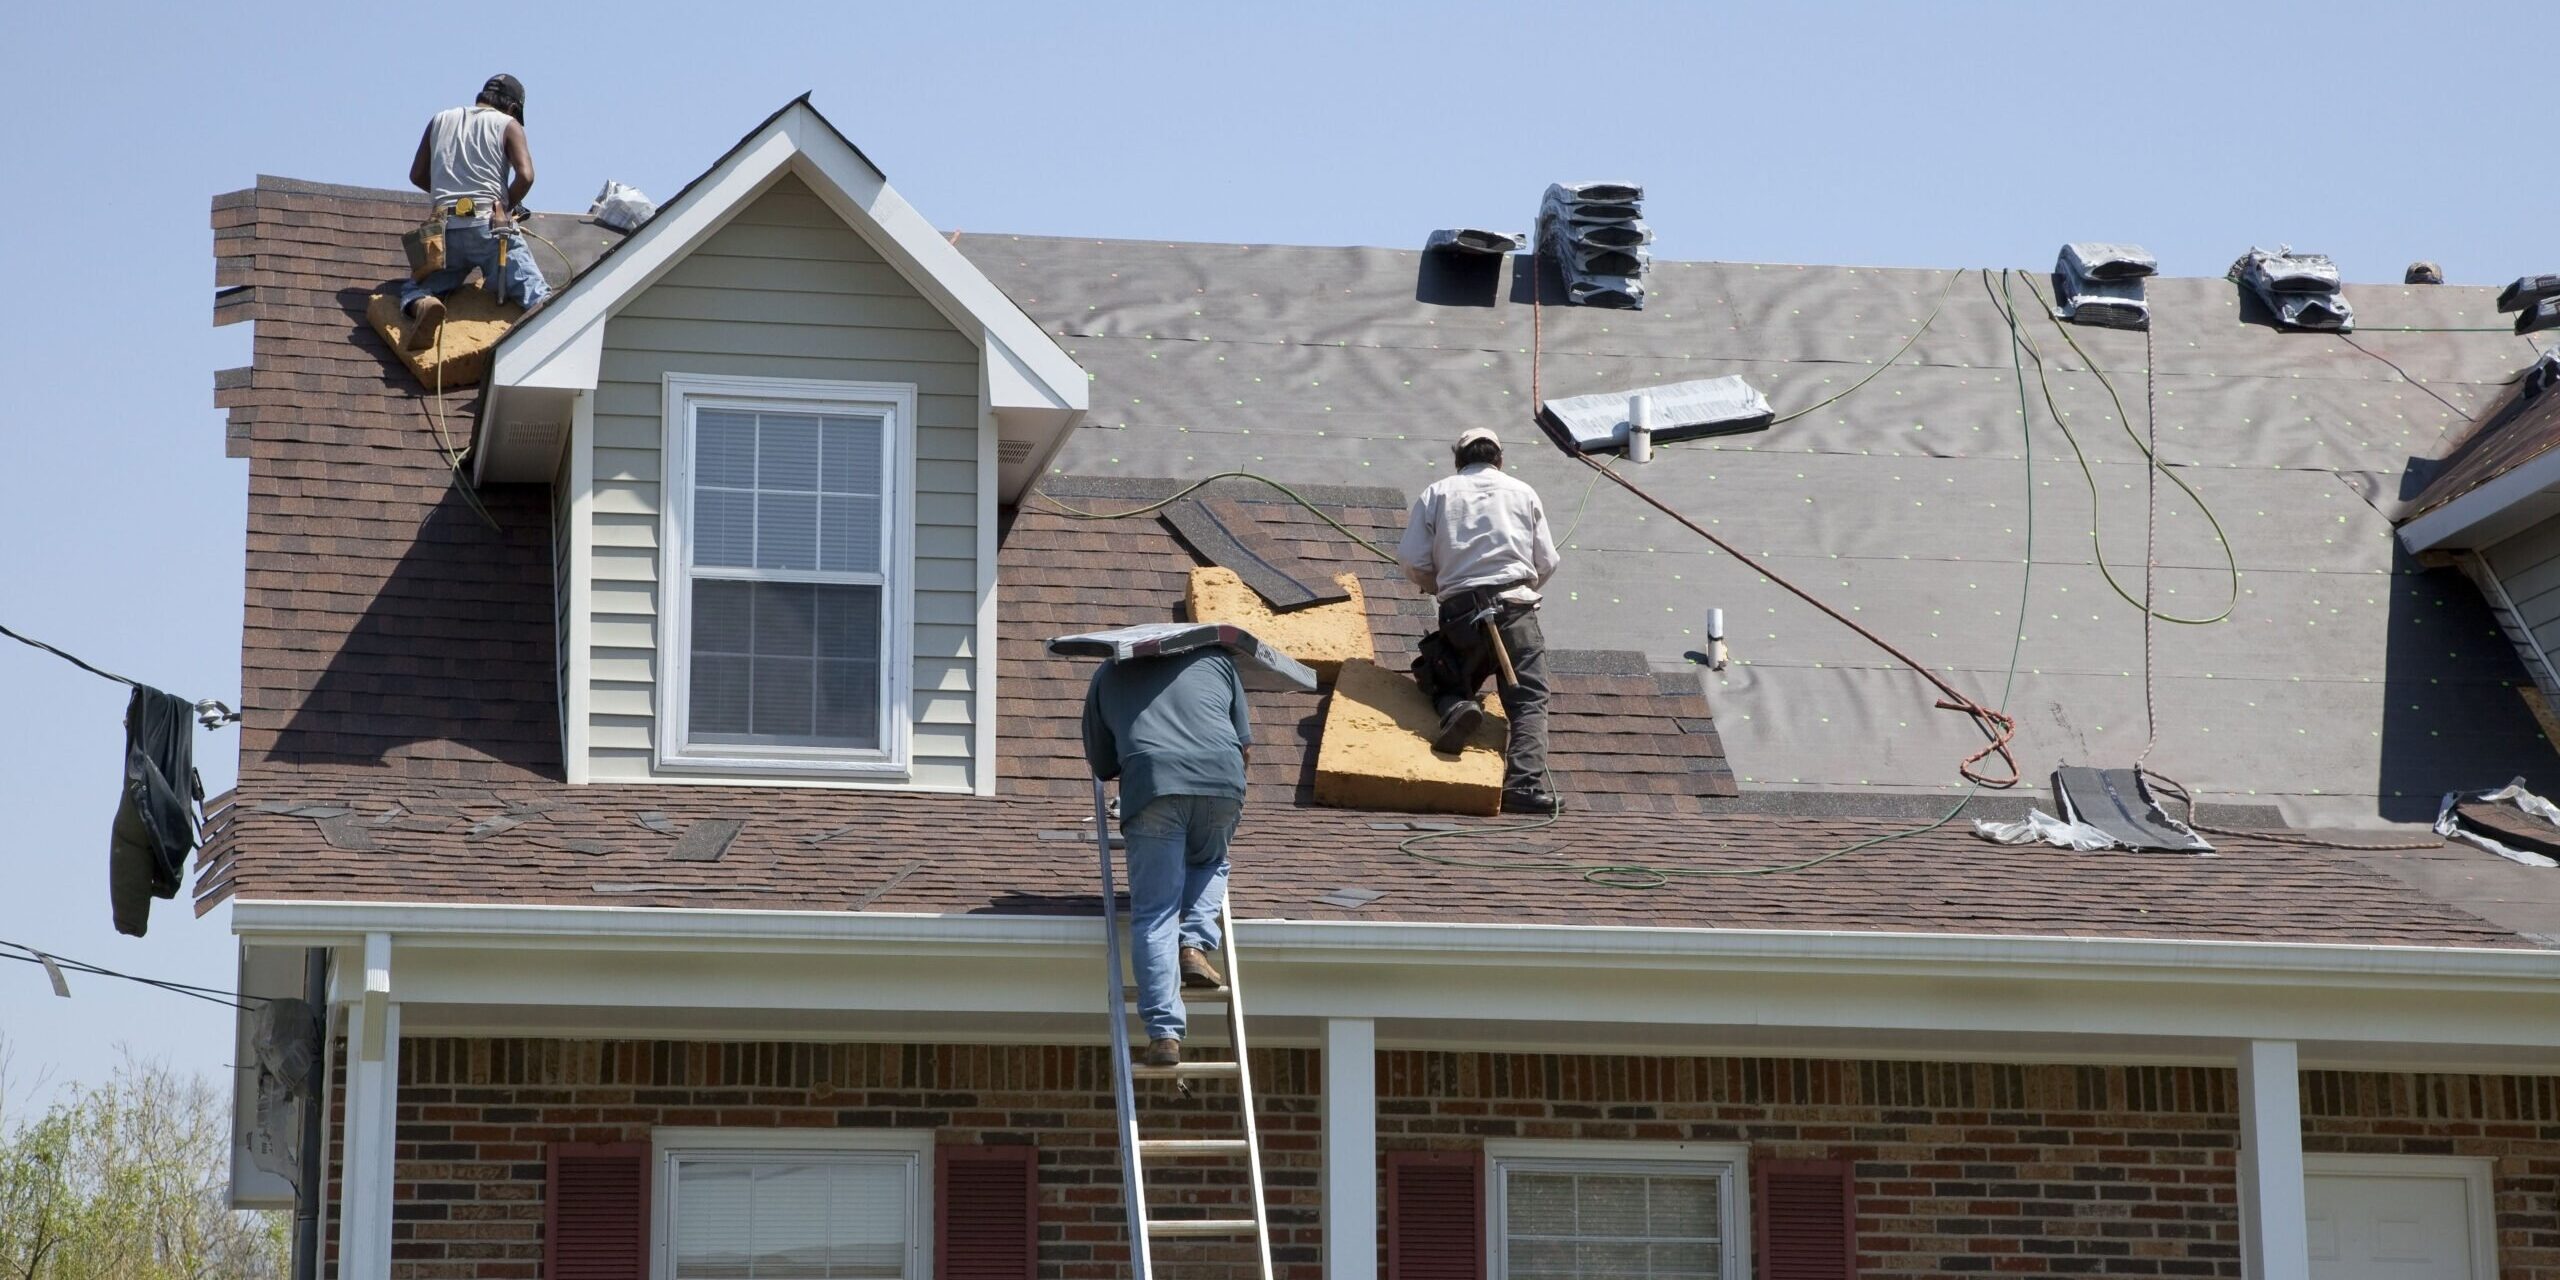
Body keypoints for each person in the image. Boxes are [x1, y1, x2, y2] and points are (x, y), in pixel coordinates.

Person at [1081, 646, 1253, 1068]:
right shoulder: (1216, 661)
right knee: (1210, 861)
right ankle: (1194, 946)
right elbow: (1245, 748)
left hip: (1153, 782)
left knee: (1156, 912)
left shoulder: (1109, 672)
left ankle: (1164, 1034)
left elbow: (1103, 765)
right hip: (1221, 777)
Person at [1397, 426, 1565, 815]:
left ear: (1459, 462)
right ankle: (1523, 785)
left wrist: (1441, 586)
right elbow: (1548, 561)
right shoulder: (1522, 492)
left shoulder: (1437, 493)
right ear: (1499, 460)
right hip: (1515, 608)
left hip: (1461, 612)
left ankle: (1456, 705)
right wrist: (1521, 587)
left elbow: (1411, 560)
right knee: (1528, 699)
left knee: (1444, 678)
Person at [399, 75, 548, 351]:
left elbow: (417, 175)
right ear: (513, 108)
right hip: (488, 226)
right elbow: (526, 176)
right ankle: (545, 346)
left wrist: (446, 196)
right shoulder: (508, 125)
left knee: (413, 289)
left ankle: (424, 304)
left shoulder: (440, 119)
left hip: (443, 232)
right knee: (538, 297)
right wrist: (505, 205)